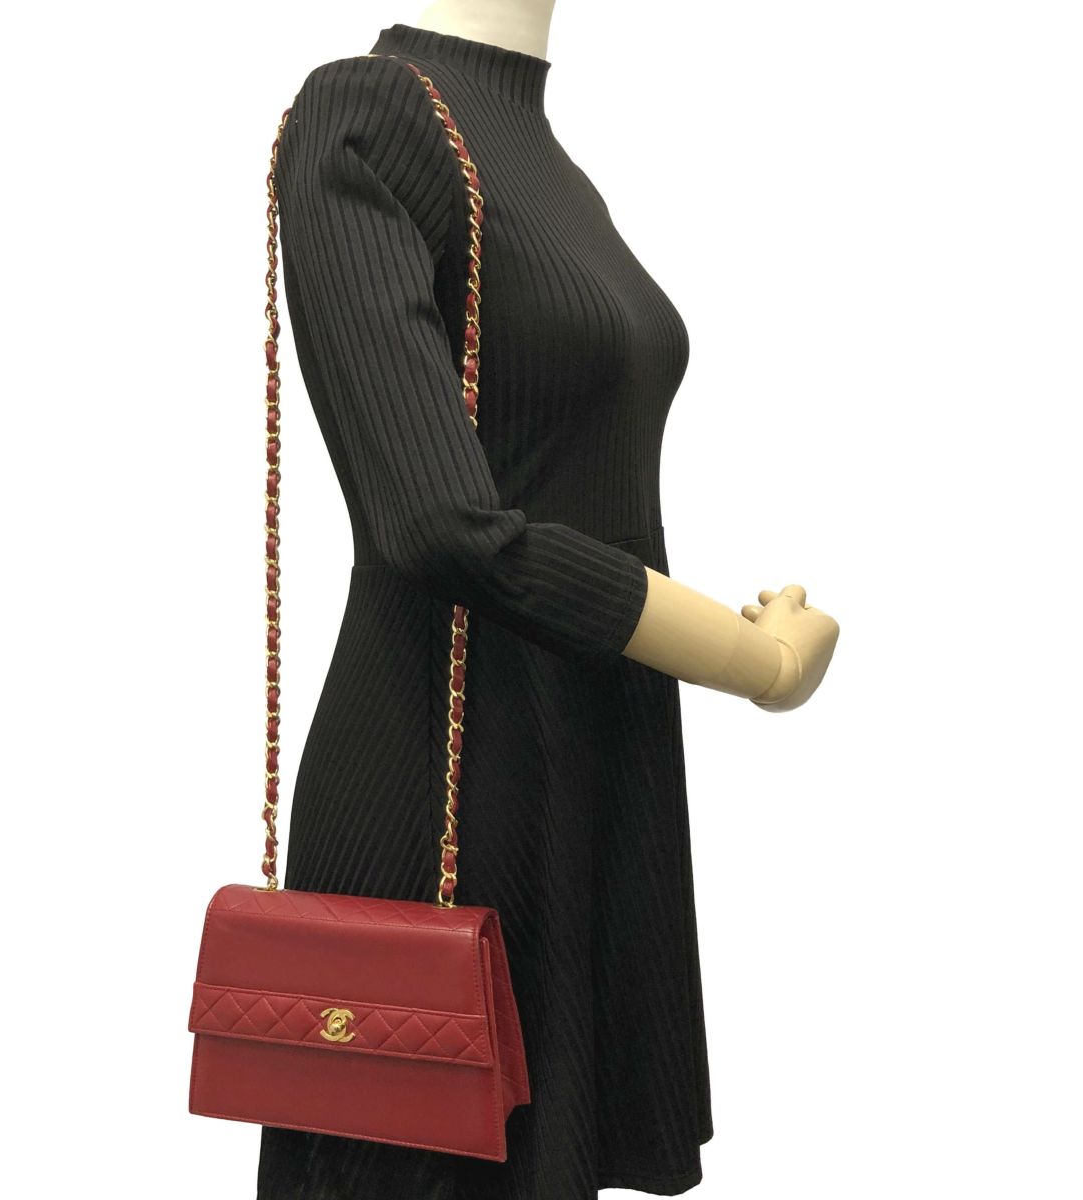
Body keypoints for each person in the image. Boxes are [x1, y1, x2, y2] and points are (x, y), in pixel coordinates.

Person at [256, 5, 840, 1198]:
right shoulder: (364, 115)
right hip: (449, 790)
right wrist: (755, 662)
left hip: (588, 770)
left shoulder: (542, 156)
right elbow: (438, 523)